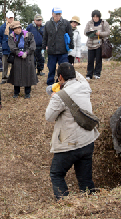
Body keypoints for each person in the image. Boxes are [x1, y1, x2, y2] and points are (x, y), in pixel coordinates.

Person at [45, 62, 99, 200]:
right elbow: (78, 76)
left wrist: (53, 96)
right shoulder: (85, 85)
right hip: (87, 141)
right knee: (85, 180)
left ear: (60, 77)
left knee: (56, 174)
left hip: (70, 145)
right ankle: (91, 203)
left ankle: (65, 205)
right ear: (75, 74)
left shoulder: (59, 96)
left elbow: (49, 117)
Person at [42, 7, 74, 85]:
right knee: (51, 68)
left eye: (59, 14)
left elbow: (70, 35)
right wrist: (43, 48)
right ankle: (50, 82)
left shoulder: (66, 23)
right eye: (56, 14)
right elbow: (45, 37)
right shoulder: (47, 24)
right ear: (52, 14)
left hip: (63, 50)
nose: (57, 16)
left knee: (64, 68)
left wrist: (71, 46)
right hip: (52, 51)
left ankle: (65, 82)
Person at [8, 21, 38, 98]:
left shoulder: (29, 34)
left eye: (19, 28)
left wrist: (26, 52)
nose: (18, 30)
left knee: (28, 74)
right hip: (17, 57)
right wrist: (19, 53)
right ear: (13, 29)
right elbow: (12, 47)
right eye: (16, 28)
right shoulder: (11, 36)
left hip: (28, 57)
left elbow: (33, 45)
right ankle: (16, 92)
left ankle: (27, 92)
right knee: (16, 74)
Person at [84, 10, 111, 79]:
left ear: (99, 17)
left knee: (98, 60)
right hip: (90, 44)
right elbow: (85, 32)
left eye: (96, 17)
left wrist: (100, 33)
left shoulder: (104, 23)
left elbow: (108, 32)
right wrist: (91, 33)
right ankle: (89, 74)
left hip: (99, 44)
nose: (95, 18)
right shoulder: (89, 23)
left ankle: (97, 74)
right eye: (94, 17)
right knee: (90, 61)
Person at [0, 11, 14, 84]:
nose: (11, 19)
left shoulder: (15, 26)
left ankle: (13, 77)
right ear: (6, 18)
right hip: (4, 48)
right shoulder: (2, 27)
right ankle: (4, 77)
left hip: (13, 49)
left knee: (14, 64)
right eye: (9, 18)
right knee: (5, 64)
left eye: (12, 17)